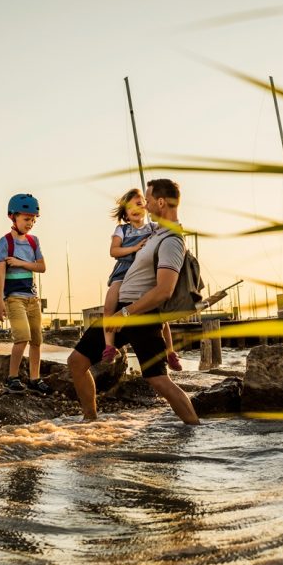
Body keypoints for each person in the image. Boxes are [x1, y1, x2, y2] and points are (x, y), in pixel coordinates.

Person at [68, 178, 199, 425]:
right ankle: (91, 421)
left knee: (158, 379)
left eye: (148, 201)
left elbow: (164, 290)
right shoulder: (155, 233)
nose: (146, 206)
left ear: (161, 202)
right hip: (123, 310)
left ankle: (194, 428)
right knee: (77, 361)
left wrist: (125, 314)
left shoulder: (171, 240)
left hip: (141, 315)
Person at [101, 188, 181, 371]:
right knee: (109, 305)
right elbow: (114, 251)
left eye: (139, 204)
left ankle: (170, 352)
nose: (135, 209)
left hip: (145, 274)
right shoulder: (122, 230)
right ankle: (109, 346)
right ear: (126, 214)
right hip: (123, 272)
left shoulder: (153, 228)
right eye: (130, 207)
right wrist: (135, 248)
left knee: (160, 315)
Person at [0, 193, 49, 394]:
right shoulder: (5, 242)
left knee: (37, 340)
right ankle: (12, 377)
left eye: (33, 219)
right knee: (22, 337)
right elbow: (0, 273)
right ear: (12, 217)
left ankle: (35, 378)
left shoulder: (34, 242)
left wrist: (19, 263)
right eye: (26, 219)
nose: (30, 223)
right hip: (14, 297)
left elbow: (42, 267)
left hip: (32, 299)